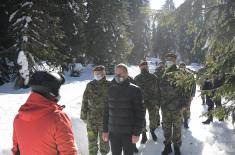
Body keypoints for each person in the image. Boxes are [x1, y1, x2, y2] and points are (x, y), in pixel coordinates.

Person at [12, 71, 78, 155]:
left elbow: (17, 151)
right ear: (53, 92)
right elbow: (69, 152)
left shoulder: (18, 118)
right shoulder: (58, 118)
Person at [102, 64, 145, 155]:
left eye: (120, 73)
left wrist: (137, 133)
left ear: (126, 74)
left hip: (128, 133)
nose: (118, 76)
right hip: (113, 132)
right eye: (116, 73)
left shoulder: (135, 90)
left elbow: (140, 114)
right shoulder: (110, 88)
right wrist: (105, 130)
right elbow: (106, 111)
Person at [80, 65, 110, 155]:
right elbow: (84, 100)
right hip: (91, 119)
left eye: (99, 73)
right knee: (92, 141)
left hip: (104, 120)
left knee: (104, 141)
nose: (97, 75)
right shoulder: (90, 85)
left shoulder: (109, 85)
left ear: (104, 73)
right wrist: (83, 115)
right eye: (95, 73)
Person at [160, 53, 184, 155]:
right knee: (166, 128)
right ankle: (168, 146)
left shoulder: (180, 73)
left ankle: (177, 147)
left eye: (171, 59)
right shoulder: (162, 73)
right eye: (167, 59)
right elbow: (158, 89)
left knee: (177, 128)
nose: (169, 61)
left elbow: (186, 90)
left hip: (177, 107)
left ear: (175, 60)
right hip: (165, 107)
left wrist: (185, 105)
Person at [134, 61, 160, 144]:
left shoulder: (154, 77)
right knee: (142, 119)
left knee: (153, 118)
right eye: (142, 66)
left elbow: (158, 90)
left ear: (147, 67)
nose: (144, 67)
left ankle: (152, 131)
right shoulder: (136, 78)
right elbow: (134, 91)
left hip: (153, 101)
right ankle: (144, 134)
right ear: (140, 68)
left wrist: (158, 102)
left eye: (145, 66)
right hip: (141, 102)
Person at [179, 62, 196, 129]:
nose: (182, 68)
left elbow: (193, 85)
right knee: (179, 108)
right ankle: (180, 121)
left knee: (187, 108)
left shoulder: (189, 75)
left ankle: (186, 121)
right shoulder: (176, 75)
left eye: (183, 67)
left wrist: (192, 95)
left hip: (187, 95)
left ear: (185, 67)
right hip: (179, 96)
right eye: (181, 67)